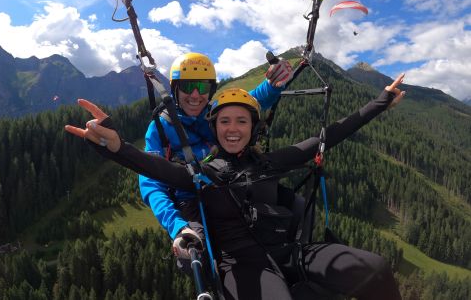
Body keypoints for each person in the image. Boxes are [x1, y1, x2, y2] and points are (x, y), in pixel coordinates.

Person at [65, 74, 405, 300]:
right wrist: (113, 145)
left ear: (252, 128)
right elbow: (152, 167)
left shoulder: (270, 162)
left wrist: (380, 102)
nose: (232, 128)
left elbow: (327, 136)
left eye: (241, 121)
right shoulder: (200, 174)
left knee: (375, 269)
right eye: (224, 121)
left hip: (290, 251)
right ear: (214, 129)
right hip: (241, 264)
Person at [140, 52, 293, 260]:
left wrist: (274, 84)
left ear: (211, 90)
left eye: (202, 87)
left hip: (230, 188)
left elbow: (249, 103)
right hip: (190, 203)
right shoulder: (160, 128)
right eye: (187, 87)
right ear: (175, 90)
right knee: (198, 257)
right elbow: (151, 183)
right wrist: (177, 226)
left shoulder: (213, 113)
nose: (195, 95)